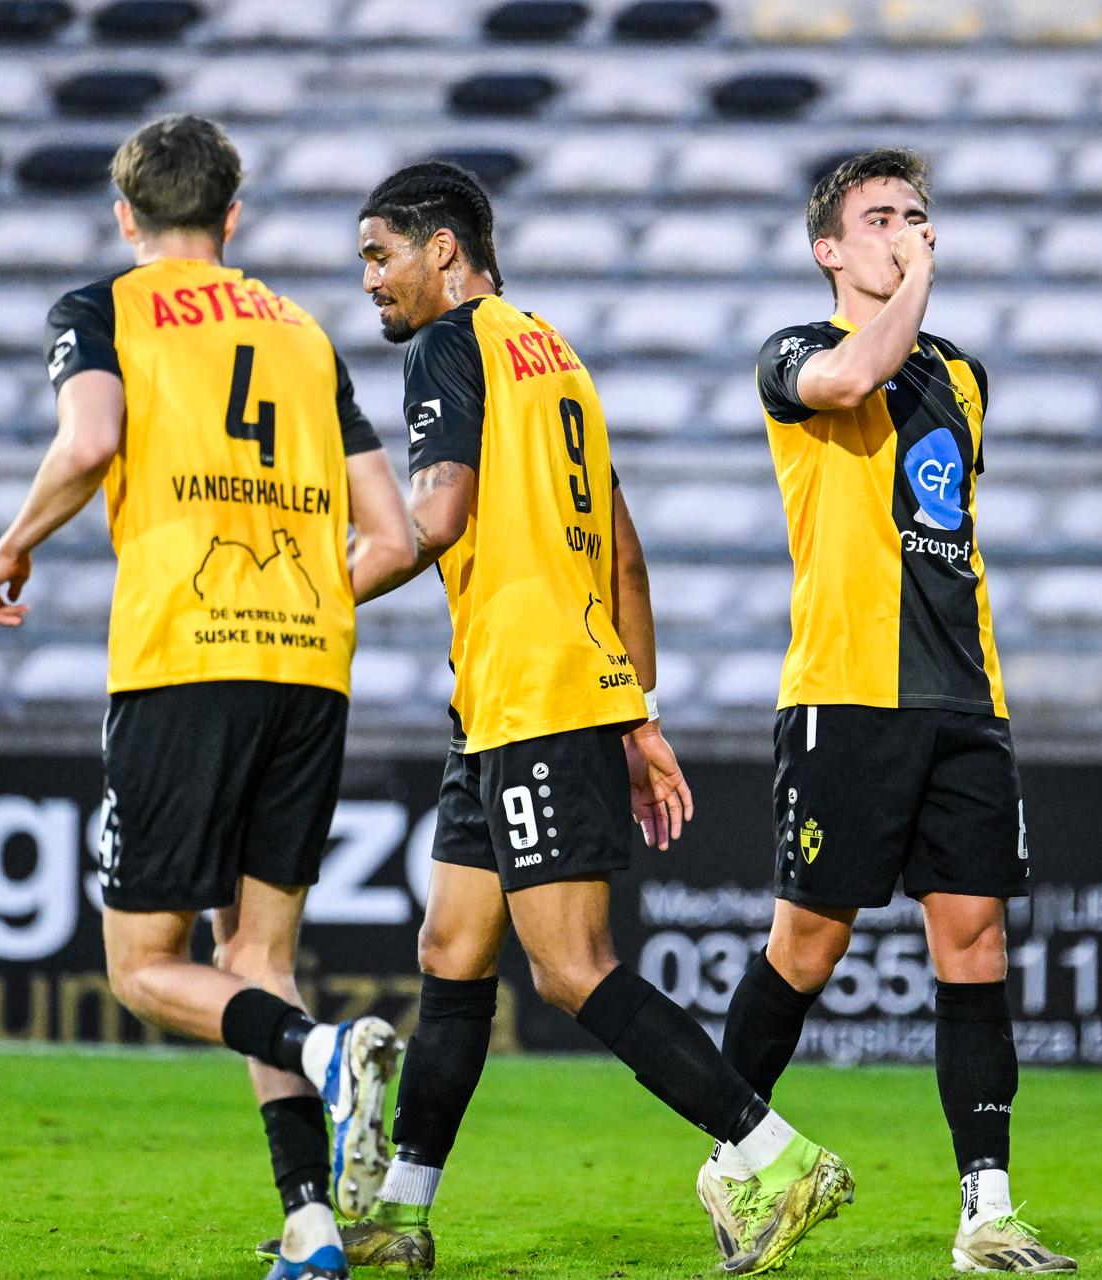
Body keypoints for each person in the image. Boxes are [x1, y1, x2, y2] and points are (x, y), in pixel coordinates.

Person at [334, 161, 853, 1277]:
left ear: (444, 249)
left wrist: (310, 587)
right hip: (520, 699)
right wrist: (639, 708)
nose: (370, 282)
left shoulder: (449, 345)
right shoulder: (555, 354)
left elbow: (436, 512)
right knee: (451, 948)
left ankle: (771, 1153)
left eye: (380, 256)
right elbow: (620, 542)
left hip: (533, 692)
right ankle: (399, 1216)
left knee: (570, 968)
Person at [0, 114, 417, 1280]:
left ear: (125, 216)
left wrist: (13, 543)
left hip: (183, 656)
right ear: (232, 216)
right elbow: (395, 530)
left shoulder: (103, 308)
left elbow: (89, 440)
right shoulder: (305, 331)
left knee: (142, 964)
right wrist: (310, 603)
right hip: (310, 663)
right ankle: (313, 1229)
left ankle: (321, 1051)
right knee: (255, 954)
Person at [700, 147, 1076, 1274]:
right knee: (808, 945)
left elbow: (944, 524)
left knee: (975, 942)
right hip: (845, 694)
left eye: (917, 214)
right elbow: (856, 378)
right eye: (879, 218)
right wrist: (912, 288)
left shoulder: (962, 375)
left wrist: (914, 301)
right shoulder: (796, 353)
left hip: (965, 695)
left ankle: (989, 1210)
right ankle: (740, 1159)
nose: (906, 231)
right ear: (829, 247)